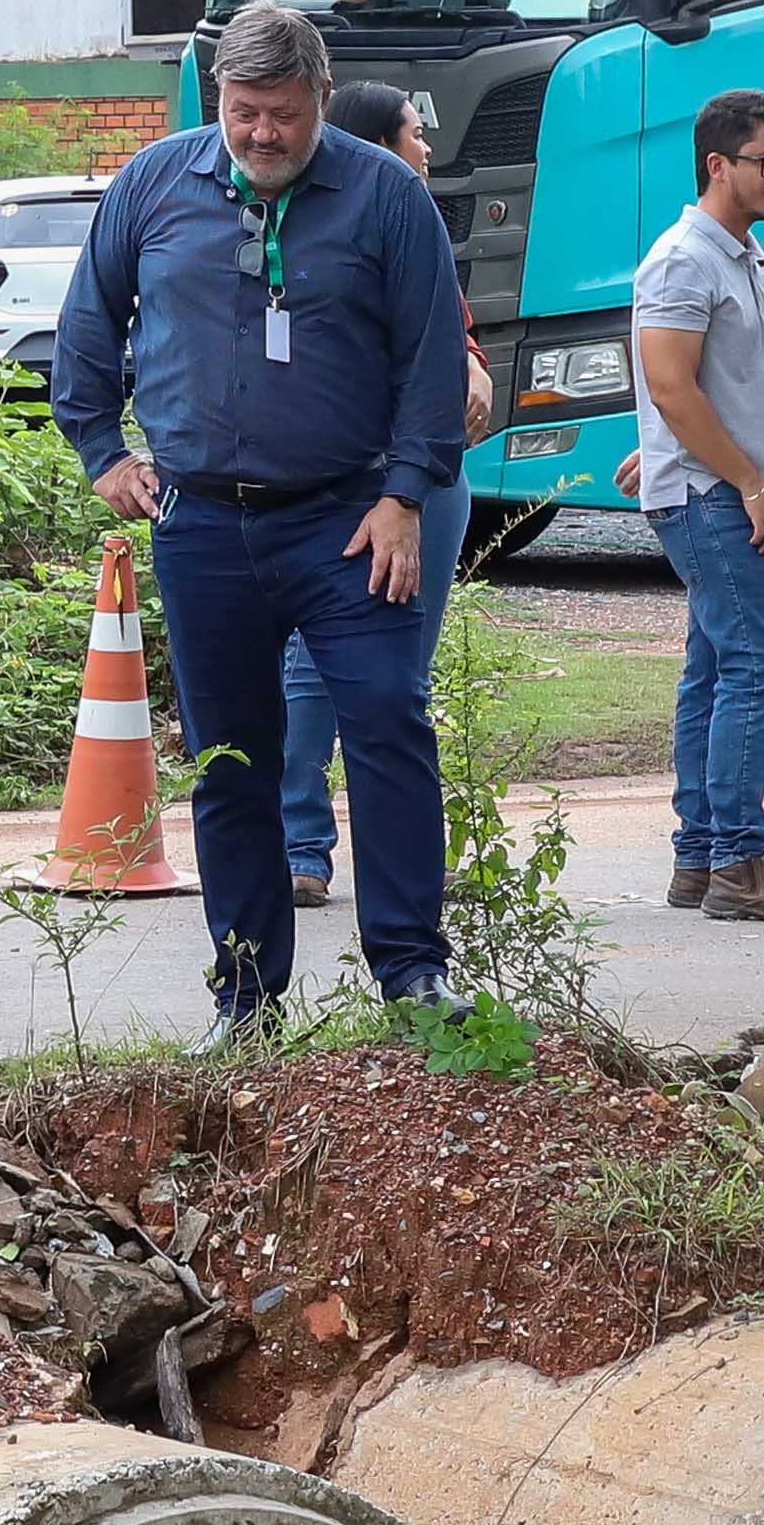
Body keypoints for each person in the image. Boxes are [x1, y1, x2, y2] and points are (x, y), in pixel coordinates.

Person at [52, 0, 467, 1041]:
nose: (262, 136)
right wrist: (101, 451)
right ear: (216, 102)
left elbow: (430, 363)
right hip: (202, 527)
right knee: (233, 758)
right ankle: (245, 997)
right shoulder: (154, 184)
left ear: (321, 100)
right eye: (243, 113)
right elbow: (87, 326)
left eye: (282, 114)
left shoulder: (386, 199)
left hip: (348, 521)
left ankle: (412, 974)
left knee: (384, 719)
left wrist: (404, 495)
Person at [276, 78, 493, 912]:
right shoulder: (319, 222)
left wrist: (469, 363)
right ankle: (300, 844)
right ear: (373, 140)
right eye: (414, 132)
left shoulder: (416, 218)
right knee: (315, 665)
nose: (427, 147)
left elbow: (452, 328)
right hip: (348, 476)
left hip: (428, 478)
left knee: (402, 671)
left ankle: (402, 849)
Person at [636, 86, 764, 922]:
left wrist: (654, 442)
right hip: (717, 497)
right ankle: (740, 862)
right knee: (754, 666)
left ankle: (699, 858)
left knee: (716, 669)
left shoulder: (740, 251)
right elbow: (670, 384)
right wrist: (754, 484)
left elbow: (702, 382)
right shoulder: (686, 257)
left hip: (709, 485)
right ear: (717, 163)